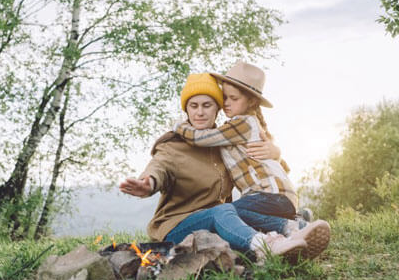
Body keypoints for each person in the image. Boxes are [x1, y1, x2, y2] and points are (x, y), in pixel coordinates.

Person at [119, 73, 308, 263]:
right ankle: (266, 246)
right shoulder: (173, 145)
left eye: (207, 105)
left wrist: (275, 151)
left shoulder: (224, 144)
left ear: (218, 108)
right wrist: (149, 182)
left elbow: (265, 166)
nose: (200, 112)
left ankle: (295, 230)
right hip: (177, 228)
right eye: (194, 106)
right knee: (225, 210)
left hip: (223, 224)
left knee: (233, 212)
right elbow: (159, 166)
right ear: (186, 109)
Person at [172, 62, 330, 259]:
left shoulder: (242, 123)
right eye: (225, 97)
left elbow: (201, 138)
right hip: (278, 196)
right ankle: (296, 224)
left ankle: (291, 226)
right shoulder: (250, 124)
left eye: (233, 98)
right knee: (238, 216)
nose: (226, 103)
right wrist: (277, 153)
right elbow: (282, 166)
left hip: (268, 194)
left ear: (251, 102)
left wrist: (179, 126)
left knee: (228, 214)